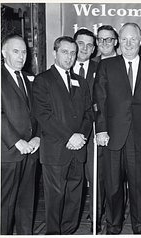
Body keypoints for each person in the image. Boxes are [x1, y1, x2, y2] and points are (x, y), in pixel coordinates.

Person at [93, 22, 141, 234]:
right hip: (112, 136)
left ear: (140, 42)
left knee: (139, 188)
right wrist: (101, 129)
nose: (129, 43)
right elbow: (99, 100)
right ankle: (113, 227)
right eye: (124, 39)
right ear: (119, 42)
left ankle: (140, 229)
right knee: (112, 188)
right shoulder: (107, 66)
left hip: (140, 138)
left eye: (133, 39)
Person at [32, 36, 93, 235]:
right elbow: (44, 116)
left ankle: (68, 232)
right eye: (65, 52)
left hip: (78, 149)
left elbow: (88, 113)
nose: (69, 57)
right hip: (56, 150)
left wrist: (80, 137)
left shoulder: (80, 82)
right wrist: (70, 137)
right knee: (55, 199)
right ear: (54, 53)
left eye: (73, 53)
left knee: (74, 198)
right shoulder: (43, 80)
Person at [1, 33, 40, 235]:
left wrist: (37, 137)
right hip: (8, 153)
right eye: (16, 51)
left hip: (30, 150)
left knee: (26, 203)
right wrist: (17, 141)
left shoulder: (28, 78)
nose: (21, 56)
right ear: (3, 52)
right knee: (5, 206)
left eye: (24, 52)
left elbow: (37, 112)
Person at [72, 28, 101, 233]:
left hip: (92, 131)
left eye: (90, 45)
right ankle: (68, 220)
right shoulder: (61, 67)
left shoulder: (100, 68)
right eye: (81, 43)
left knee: (95, 176)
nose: (85, 48)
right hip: (66, 134)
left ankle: (95, 219)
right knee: (71, 178)